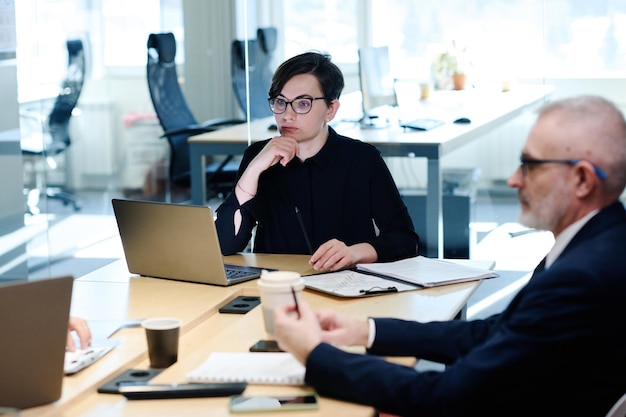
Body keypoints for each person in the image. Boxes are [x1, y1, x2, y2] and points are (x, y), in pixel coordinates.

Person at [273, 95, 626, 416]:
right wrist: (365, 331)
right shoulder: (601, 241)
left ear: (582, 180)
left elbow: (444, 397)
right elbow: (496, 333)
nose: (514, 180)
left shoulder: (582, 278)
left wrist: (316, 355)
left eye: (530, 165)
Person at [215, 51, 419, 272]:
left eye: (302, 104)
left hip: (346, 286)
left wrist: (354, 252)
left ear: (331, 109)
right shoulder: (260, 156)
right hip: (279, 287)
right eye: (280, 102)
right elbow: (226, 244)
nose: (287, 115)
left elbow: (405, 240)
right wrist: (254, 169)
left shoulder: (362, 159)